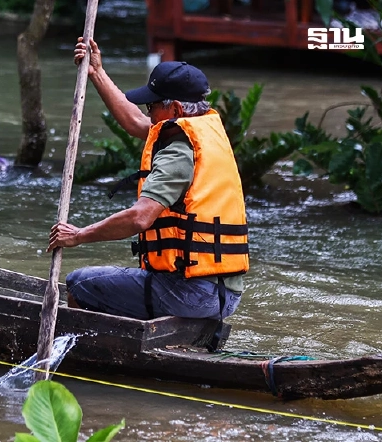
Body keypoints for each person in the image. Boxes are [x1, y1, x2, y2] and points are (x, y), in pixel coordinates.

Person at [47, 38, 249, 327]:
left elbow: (140, 218)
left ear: (176, 109)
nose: (149, 113)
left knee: (79, 283)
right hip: (221, 291)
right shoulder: (205, 128)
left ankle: (92, 354)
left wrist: (78, 235)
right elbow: (134, 122)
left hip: (194, 293)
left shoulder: (178, 152)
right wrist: (96, 72)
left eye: (152, 106)